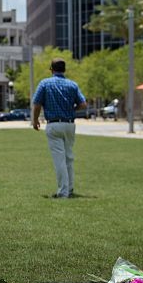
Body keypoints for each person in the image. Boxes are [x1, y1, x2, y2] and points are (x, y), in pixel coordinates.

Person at [32, 59, 87, 198]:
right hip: (69, 124)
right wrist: (72, 110)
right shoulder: (72, 85)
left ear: (51, 69)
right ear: (64, 70)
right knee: (69, 157)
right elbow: (83, 104)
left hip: (54, 124)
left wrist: (35, 119)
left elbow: (37, 103)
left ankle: (63, 192)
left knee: (59, 159)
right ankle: (69, 189)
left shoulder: (45, 83)